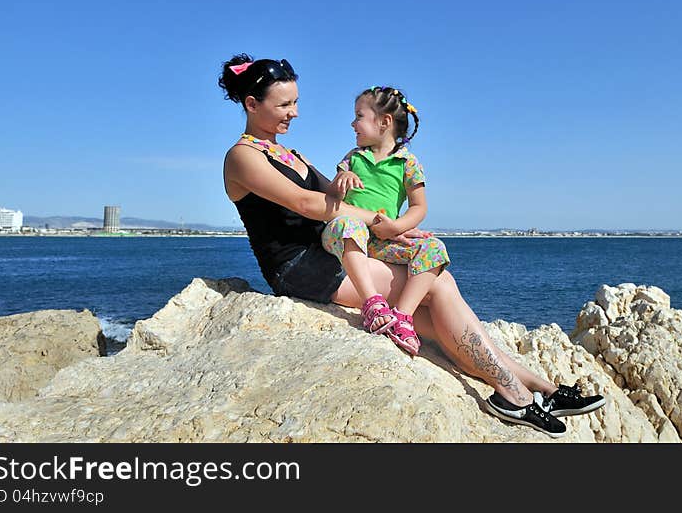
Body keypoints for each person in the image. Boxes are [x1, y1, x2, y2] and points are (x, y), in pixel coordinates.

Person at [218, 53, 606, 437]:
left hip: (336, 253)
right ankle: (515, 394)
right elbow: (307, 203)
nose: (295, 112)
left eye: (296, 102)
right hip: (300, 267)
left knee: (443, 321)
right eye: (284, 104)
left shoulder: (291, 153)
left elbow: (341, 198)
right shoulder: (242, 157)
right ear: (252, 105)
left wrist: (392, 228)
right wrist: (375, 223)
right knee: (438, 286)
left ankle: (538, 390)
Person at [320, 85, 450, 357]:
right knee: (349, 224)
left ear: (384, 122)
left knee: (434, 248)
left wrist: (398, 227)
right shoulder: (353, 158)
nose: (352, 123)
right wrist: (339, 183)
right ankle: (372, 304)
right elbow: (330, 198)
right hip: (347, 238)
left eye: (359, 116)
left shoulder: (407, 162)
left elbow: (419, 206)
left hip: (382, 240)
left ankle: (403, 316)